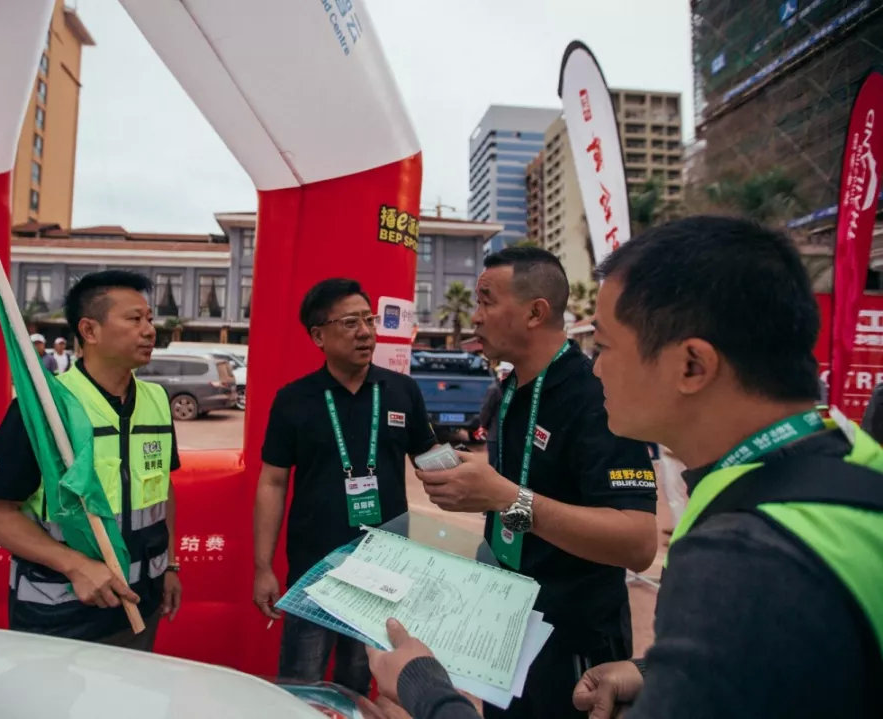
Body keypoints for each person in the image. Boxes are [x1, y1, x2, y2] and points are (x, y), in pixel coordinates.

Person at [367, 217, 883, 719]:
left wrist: (426, 689)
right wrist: (654, 670)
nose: (596, 365)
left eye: (608, 346)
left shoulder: (740, 559)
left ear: (691, 365)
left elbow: (637, 544)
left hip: (571, 640)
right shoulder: (845, 462)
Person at [412, 247, 656, 718]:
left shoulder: (594, 395)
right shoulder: (508, 392)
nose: (476, 316)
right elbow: (515, 493)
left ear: (535, 312)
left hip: (573, 643)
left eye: (485, 301)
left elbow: (638, 542)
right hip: (504, 629)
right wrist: (476, 487)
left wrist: (506, 497)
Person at [0, 270, 182, 649]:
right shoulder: (44, 410)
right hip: (61, 616)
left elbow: (162, 490)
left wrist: (169, 564)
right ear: (90, 330)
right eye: (134, 319)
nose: (150, 329)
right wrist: (77, 566)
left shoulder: (157, 401)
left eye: (149, 318)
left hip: (140, 607)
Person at [253, 277, 437, 695]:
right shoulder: (294, 399)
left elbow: (430, 457)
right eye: (350, 322)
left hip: (383, 568)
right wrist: (263, 566)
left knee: (359, 678)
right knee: (302, 681)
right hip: (315, 570)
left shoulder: (402, 390)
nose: (366, 332)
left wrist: (479, 481)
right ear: (319, 335)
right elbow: (273, 482)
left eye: (369, 320)